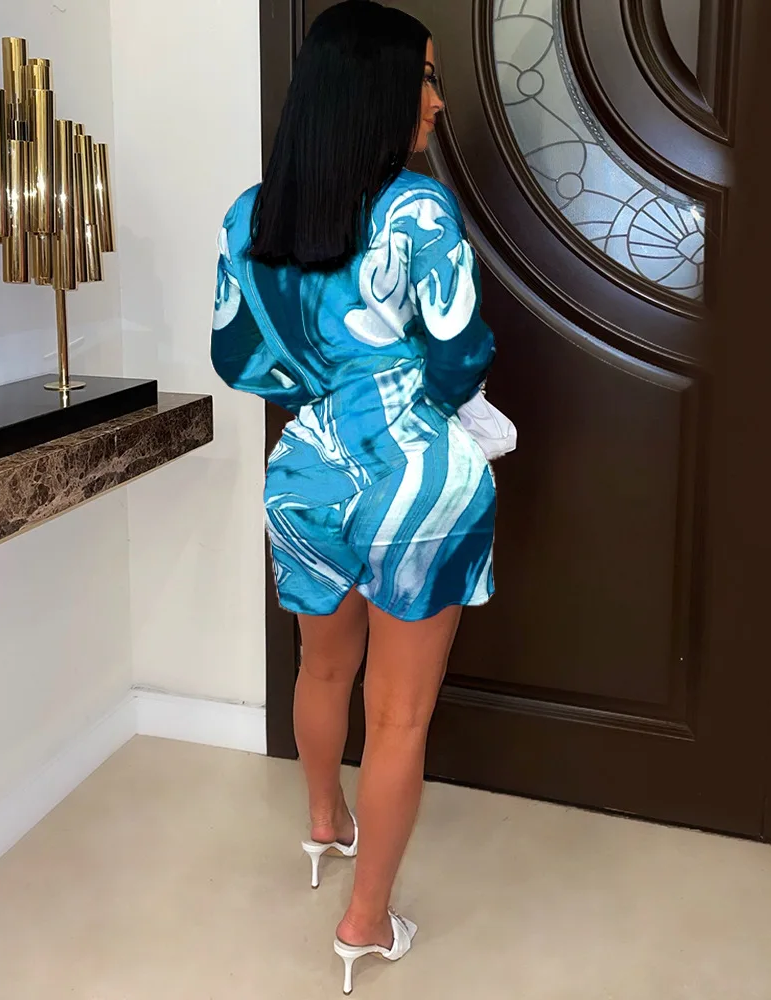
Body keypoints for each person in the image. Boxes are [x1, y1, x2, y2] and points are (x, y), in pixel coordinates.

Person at [210, 1, 497, 992]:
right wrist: (402, 390)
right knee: (400, 716)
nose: (437, 100)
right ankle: (365, 923)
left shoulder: (250, 215)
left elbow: (238, 360)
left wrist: (323, 383)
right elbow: (459, 357)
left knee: (321, 668)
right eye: (426, 77)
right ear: (375, 88)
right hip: (414, 480)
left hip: (304, 474)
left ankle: (324, 823)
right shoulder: (417, 210)